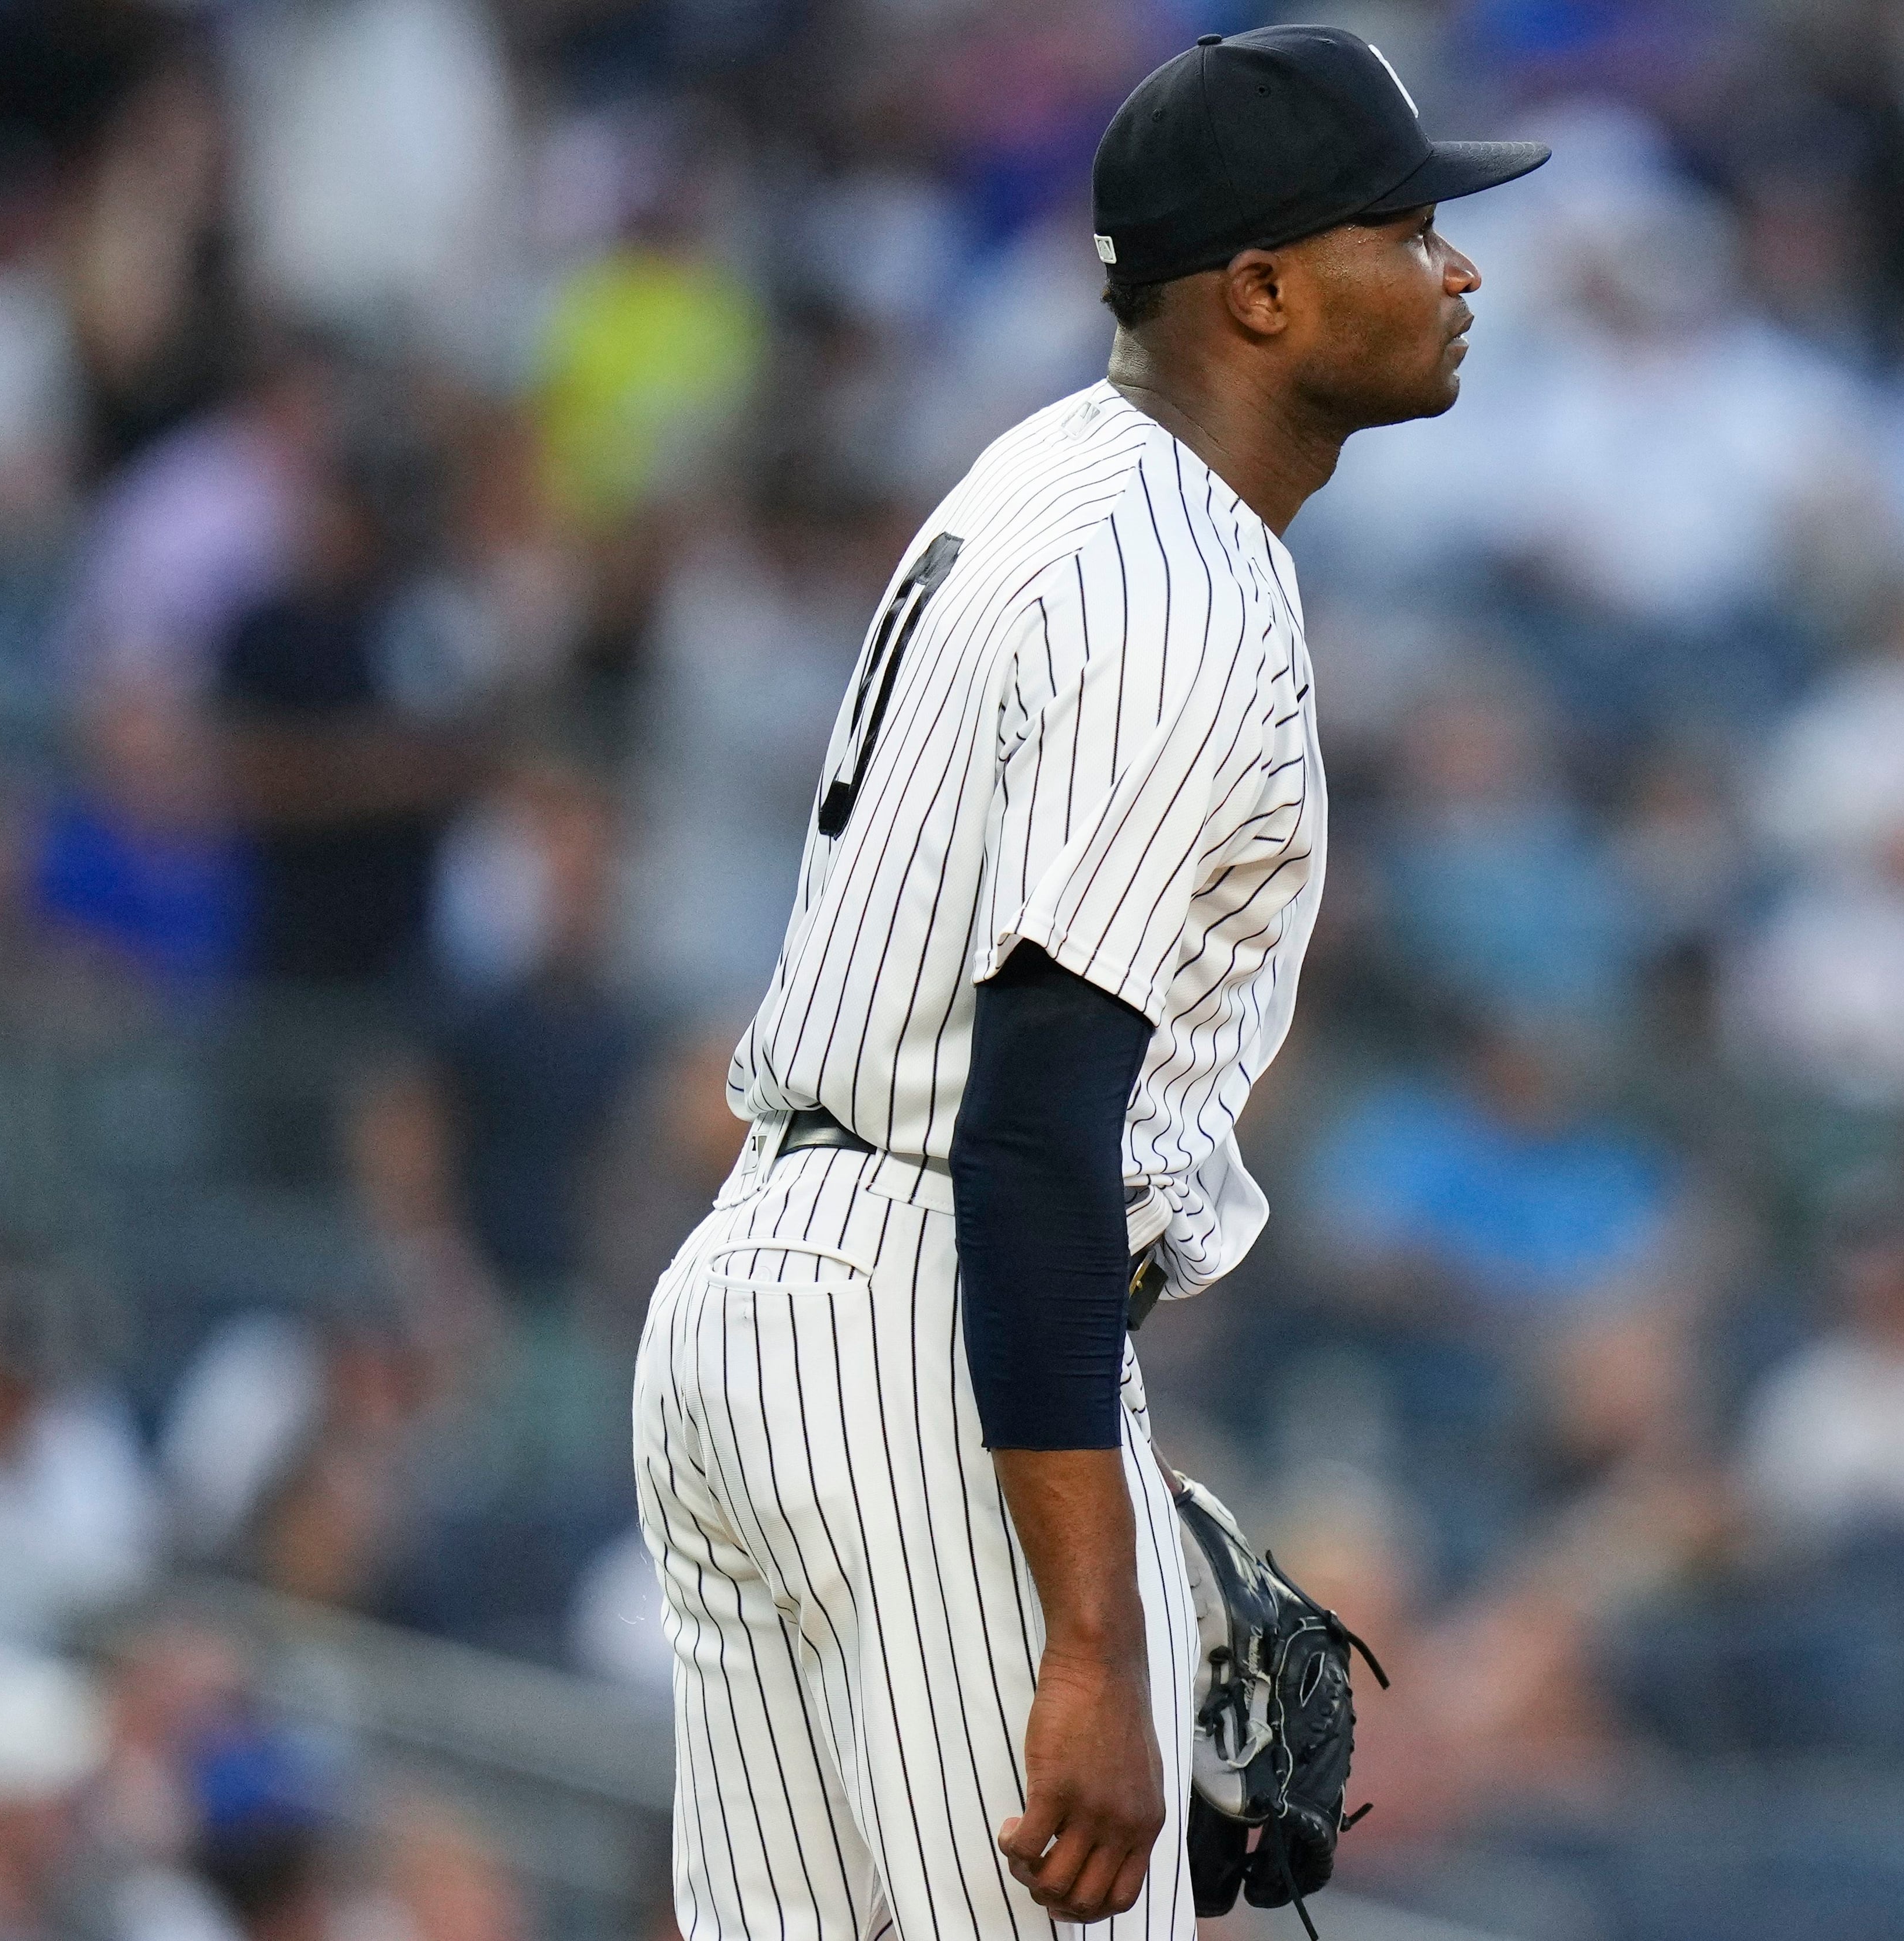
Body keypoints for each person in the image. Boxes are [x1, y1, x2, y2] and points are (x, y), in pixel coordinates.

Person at [627, 26, 1544, 1938]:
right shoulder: (1179, 580)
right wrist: (1090, 1637)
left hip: (757, 1297)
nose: (1458, 270)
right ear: (1266, 289)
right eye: (1408, 228)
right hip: (925, 1311)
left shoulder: (1041, 476)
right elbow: (1040, 1116)